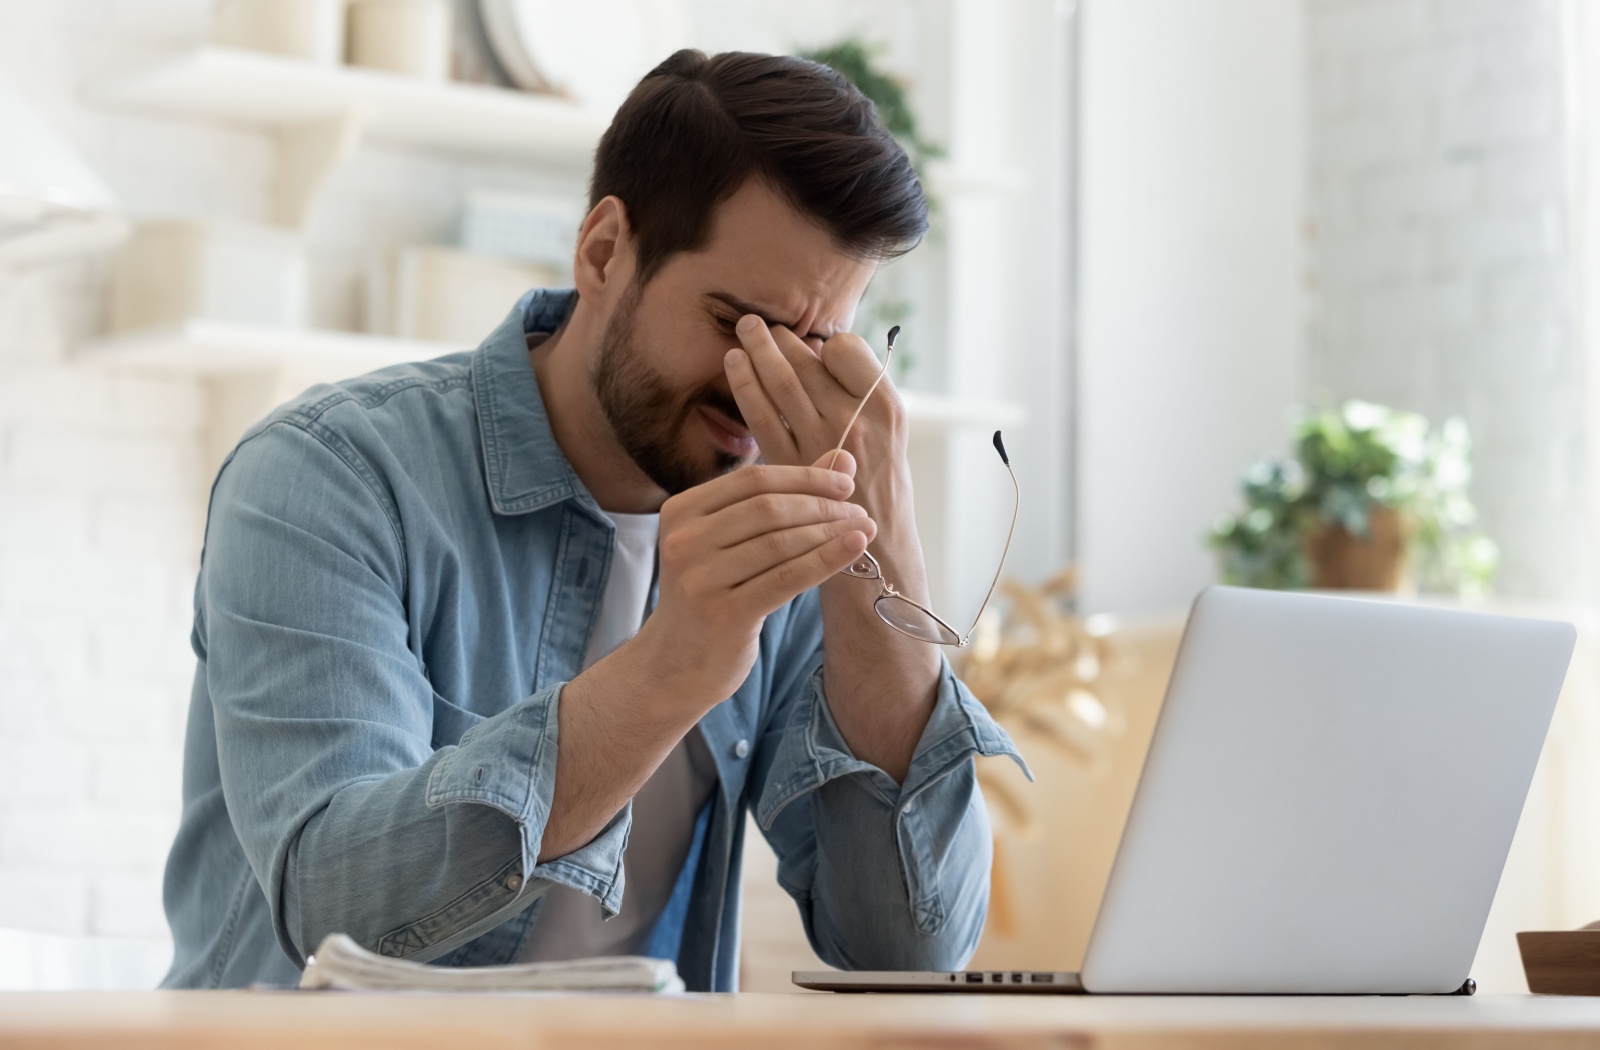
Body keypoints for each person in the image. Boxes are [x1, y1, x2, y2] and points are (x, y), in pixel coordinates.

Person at [161, 48, 1024, 990]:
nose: (760, 386)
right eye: (737, 323)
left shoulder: (799, 536)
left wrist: (885, 566)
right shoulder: (328, 476)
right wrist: (672, 665)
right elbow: (336, 910)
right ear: (605, 250)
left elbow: (911, 953)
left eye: (812, 347)